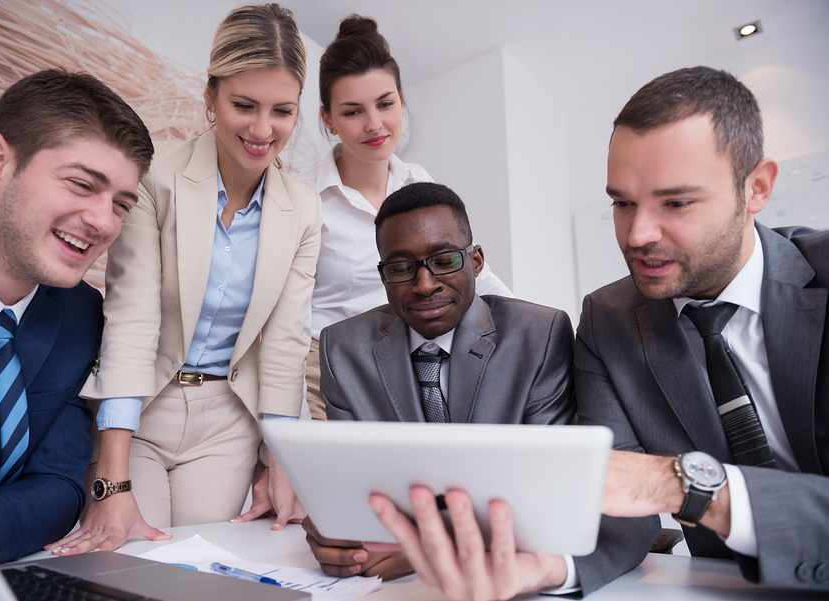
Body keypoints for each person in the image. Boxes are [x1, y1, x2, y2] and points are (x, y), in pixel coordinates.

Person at [369, 66, 829, 598]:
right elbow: (618, 511)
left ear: (756, 188)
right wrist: (544, 569)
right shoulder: (608, 319)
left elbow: (646, 485)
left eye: (675, 202)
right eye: (622, 202)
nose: (637, 234)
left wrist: (680, 484)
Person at [48, 3, 321, 556]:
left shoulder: (305, 211)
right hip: (143, 408)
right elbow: (131, 320)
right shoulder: (155, 178)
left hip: (228, 421)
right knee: (128, 558)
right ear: (210, 95)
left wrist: (283, 463)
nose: (263, 130)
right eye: (244, 105)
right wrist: (111, 479)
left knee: (208, 568)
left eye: (283, 111)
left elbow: (285, 345)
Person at [0, 69, 153, 563]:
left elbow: (56, 486)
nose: (103, 222)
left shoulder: (81, 318)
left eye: (120, 204)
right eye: (80, 184)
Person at [304, 181, 575, 580]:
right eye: (400, 268)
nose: (425, 284)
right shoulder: (341, 348)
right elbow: (358, 487)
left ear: (477, 261)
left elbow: (547, 489)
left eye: (444, 260)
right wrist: (338, 532)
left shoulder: (540, 335)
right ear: (382, 275)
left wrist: (424, 546)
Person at [298, 15, 512, 420]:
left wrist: (539, 329)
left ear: (402, 100)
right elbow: (287, 318)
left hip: (409, 359)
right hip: (325, 370)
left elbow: (471, 271)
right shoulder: (304, 199)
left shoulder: (419, 181)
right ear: (327, 118)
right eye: (352, 112)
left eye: (385, 104)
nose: (375, 124)